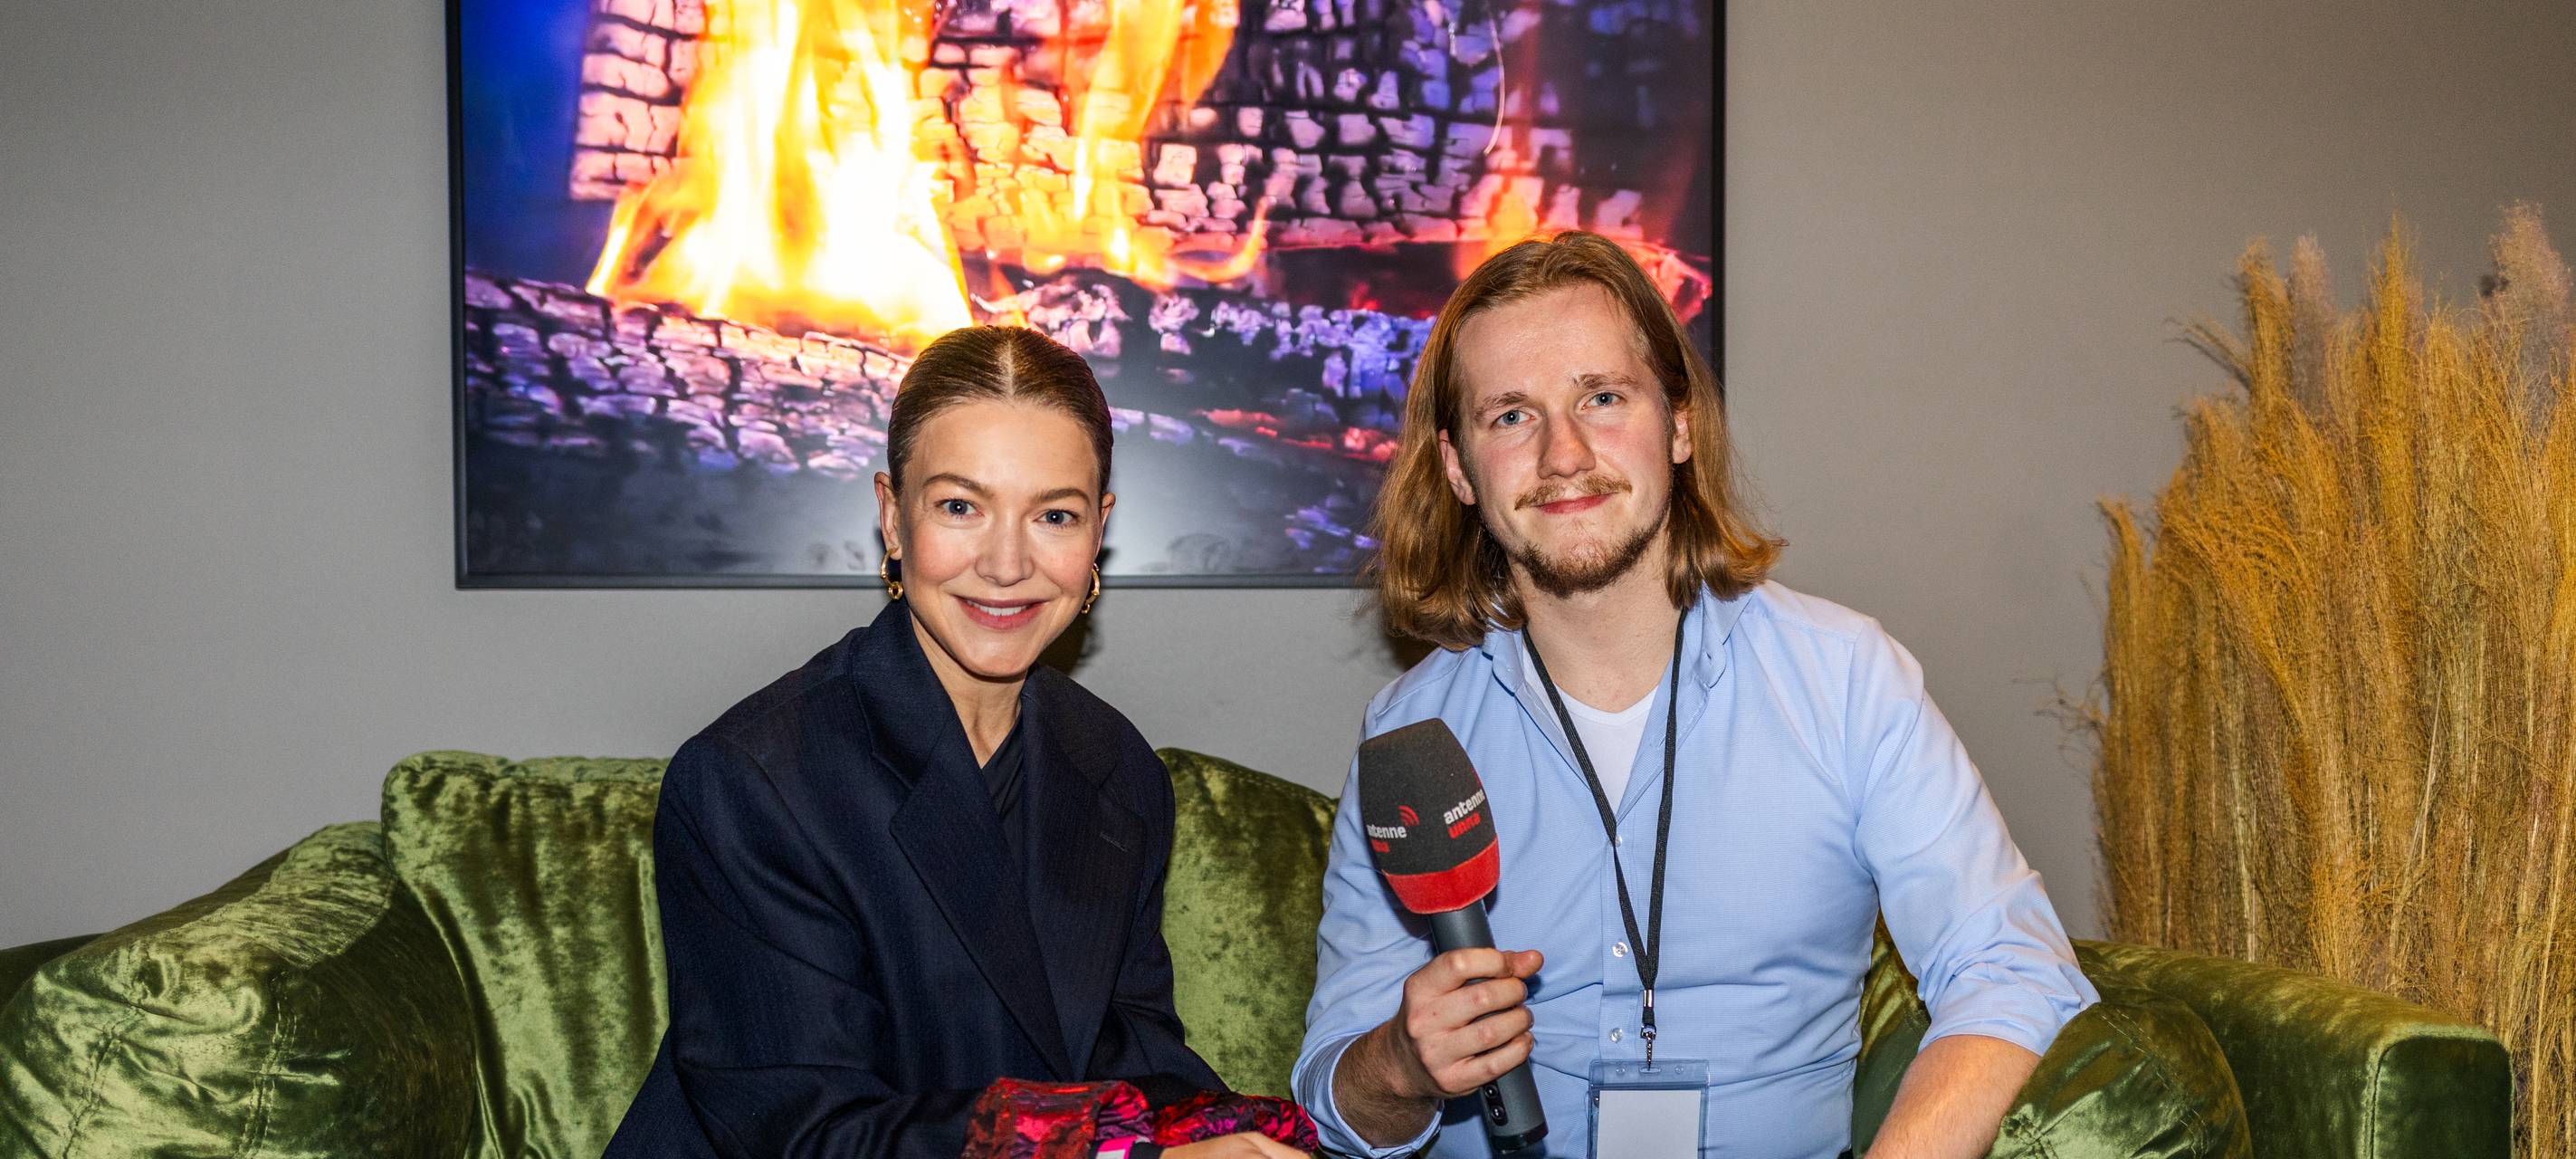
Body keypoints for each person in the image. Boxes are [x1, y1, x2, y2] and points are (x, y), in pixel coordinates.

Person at [1293, 233, 2097, 1159]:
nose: (1563, 453)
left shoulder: (1843, 678)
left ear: (1677, 423)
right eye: (1510, 415)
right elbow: (1333, 1103)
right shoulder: (1409, 733)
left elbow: (2007, 962)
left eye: (1600, 397)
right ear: (1458, 467)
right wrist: (1399, 1061)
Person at [604, 326, 1303, 1159]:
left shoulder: (1116, 765)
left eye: (1054, 515)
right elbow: (807, 1134)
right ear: (892, 519)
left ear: (1098, 532)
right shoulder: (751, 781)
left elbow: (1133, 1060)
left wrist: (1262, 1133)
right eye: (960, 507)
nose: (1007, 563)